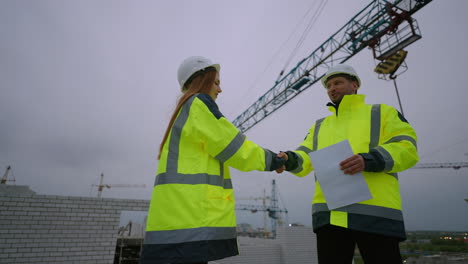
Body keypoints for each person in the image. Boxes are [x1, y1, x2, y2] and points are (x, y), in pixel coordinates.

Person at [139, 56, 285, 264]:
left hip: (176, 226)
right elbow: (234, 147)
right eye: (216, 82)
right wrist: (274, 160)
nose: (220, 89)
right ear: (202, 80)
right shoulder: (198, 104)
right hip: (190, 226)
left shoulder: (185, 111)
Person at [276, 64, 419, 263]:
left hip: (374, 214)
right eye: (329, 86)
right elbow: (305, 156)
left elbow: (407, 148)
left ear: (354, 84)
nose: (332, 88)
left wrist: (368, 159)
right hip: (330, 217)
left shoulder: (382, 113)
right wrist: (290, 159)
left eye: (338, 83)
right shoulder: (319, 126)